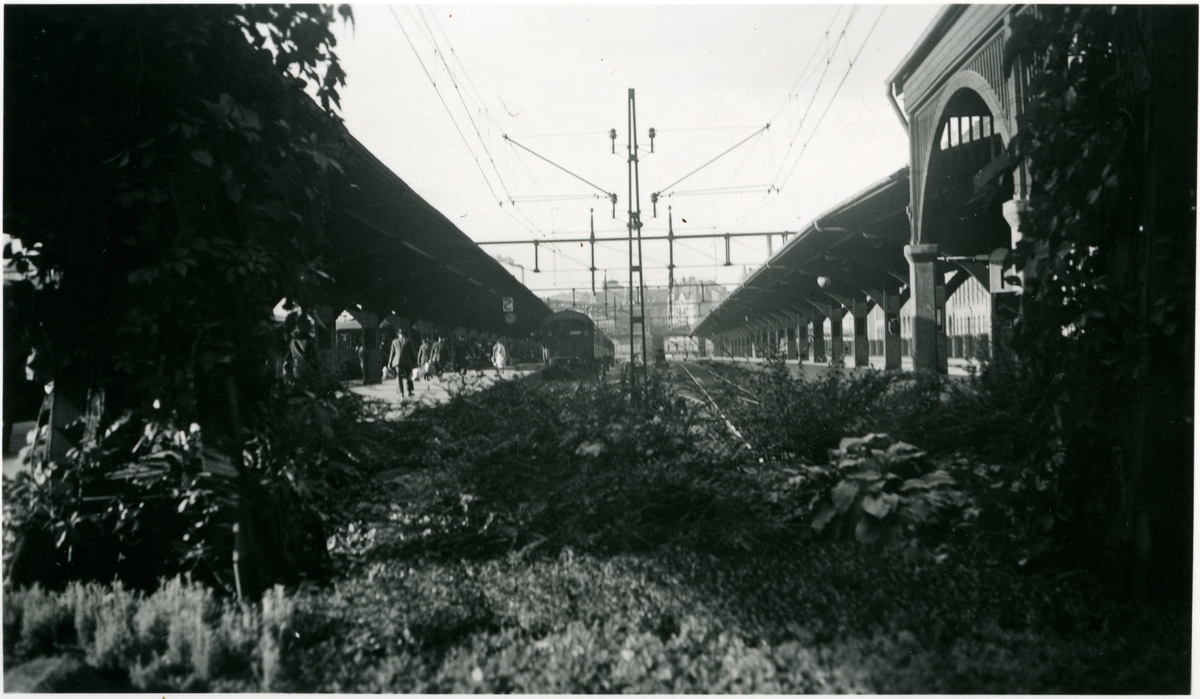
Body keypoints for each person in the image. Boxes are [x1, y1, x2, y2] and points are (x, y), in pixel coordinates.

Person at [387, 328, 418, 398]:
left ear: (398, 334)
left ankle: (401, 393)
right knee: (409, 376)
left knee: (399, 377)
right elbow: (412, 352)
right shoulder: (408, 341)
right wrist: (415, 361)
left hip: (397, 362)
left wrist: (389, 363)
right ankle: (410, 391)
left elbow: (392, 353)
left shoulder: (394, 341)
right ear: (405, 334)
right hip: (407, 362)